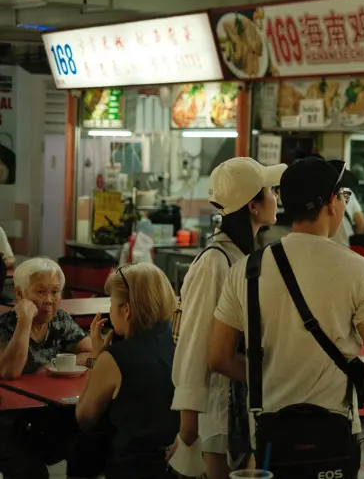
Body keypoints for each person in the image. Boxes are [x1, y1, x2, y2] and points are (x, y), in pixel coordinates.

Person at [208, 156, 364, 473]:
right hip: (334, 431)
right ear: (331, 203)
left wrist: (269, 376)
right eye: (342, 196)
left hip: (270, 431)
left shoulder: (246, 269)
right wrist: (354, 377)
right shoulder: (360, 270)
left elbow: (219, 357)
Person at [171, 157, 285, 479]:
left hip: (240, 408)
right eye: (270, 190)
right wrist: (188, 424)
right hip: (217, 411)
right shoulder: (215, 262)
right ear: (252, 205)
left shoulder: (241, 255)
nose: (276, 197)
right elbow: (194, 341)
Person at [75, 263, 180, 479]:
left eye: (111, 302)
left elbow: (84, 417)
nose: (109, 309)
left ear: (126, 310)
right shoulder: (181, 343)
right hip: (176, 465)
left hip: (131, 467)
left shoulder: (116, 358)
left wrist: (96, 358)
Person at [0, 257, 91, 379]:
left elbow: (94, 353)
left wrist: (52, 366)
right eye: (40, 292)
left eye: (55, 292)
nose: (49, 300)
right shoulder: (5, 325)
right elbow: (8, 372)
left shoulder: (60, 319)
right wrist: (25, 321)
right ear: (20, 293)